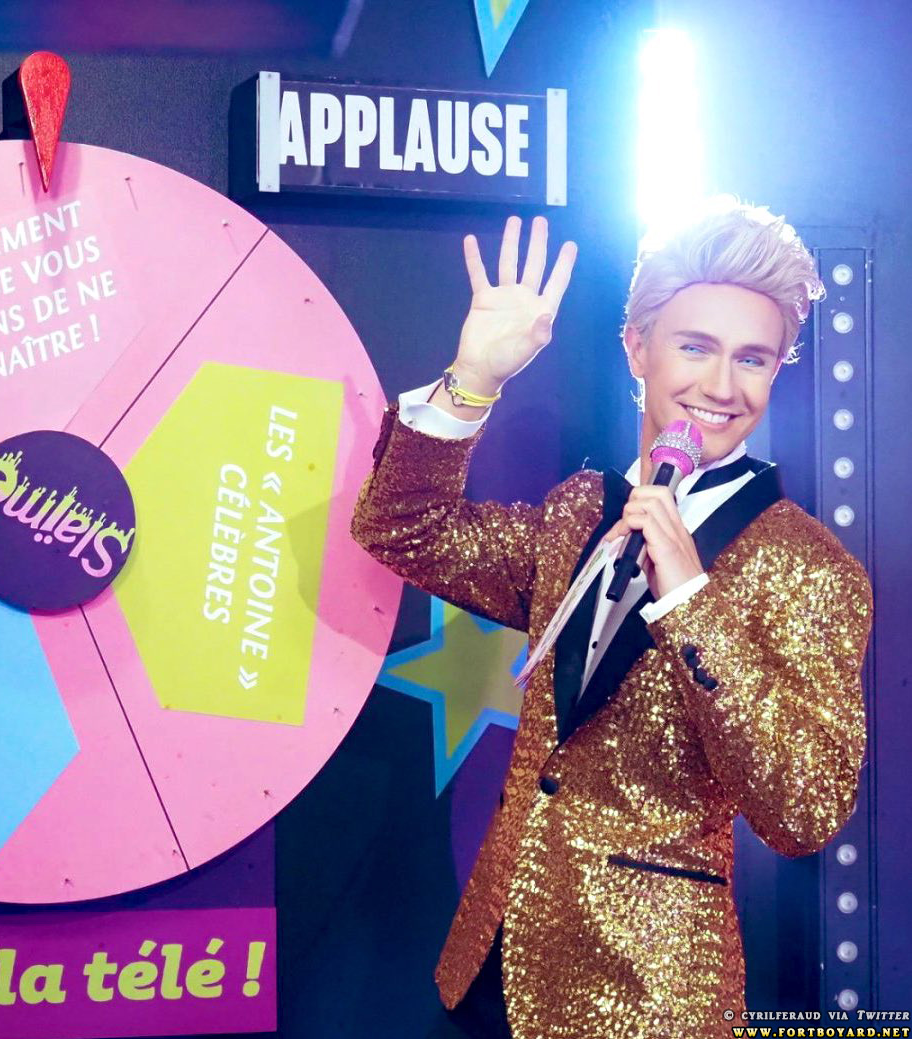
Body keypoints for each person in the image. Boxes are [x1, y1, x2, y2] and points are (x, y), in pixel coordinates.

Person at [350, 201, 873, 1039]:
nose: (722, 386)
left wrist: (691, 602)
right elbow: (402, 528)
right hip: (485, 974)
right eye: (695, 346)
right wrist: (473, 377)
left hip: (650, 1000)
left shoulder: (811, 567)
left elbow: (805, 810)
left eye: (752, 358)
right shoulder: (579, 511)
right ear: (637, 348)